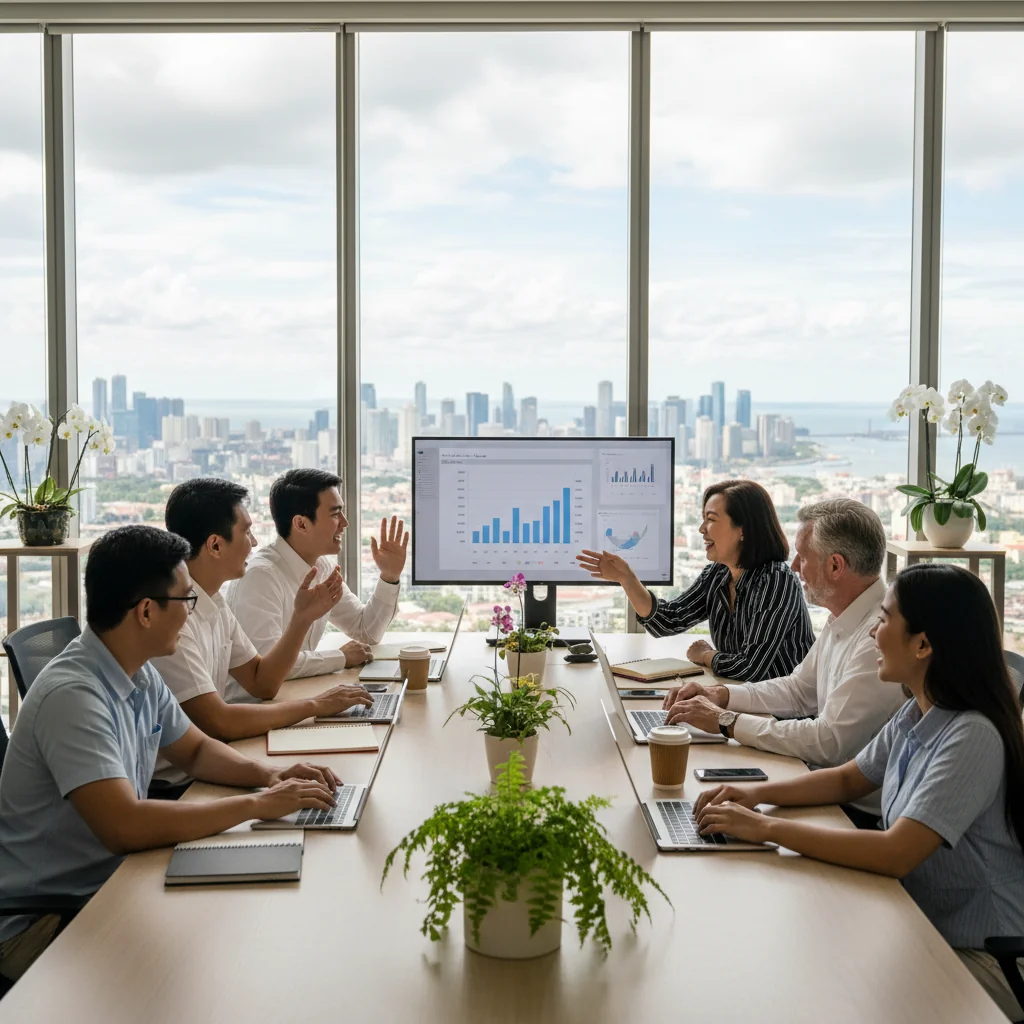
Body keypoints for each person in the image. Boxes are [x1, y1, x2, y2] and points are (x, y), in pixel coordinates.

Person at [0, 526, 341, 983]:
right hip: (44, 924)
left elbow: (196, 752)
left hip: (112, 885)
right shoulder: (74, 696)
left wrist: (270, 775)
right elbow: (125, 825)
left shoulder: (136, 671)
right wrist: (257, 806)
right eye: (186, 601)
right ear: (145, 611)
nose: (191, 613)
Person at [694, 564, 1024, 1021]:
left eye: (885, 619)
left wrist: (766, 828)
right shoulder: (918, 713)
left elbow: (895, 853)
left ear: (923, 644)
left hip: (983, 956)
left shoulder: (972, 736)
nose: (873, 632)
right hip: (921, 922)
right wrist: (756, 794)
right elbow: (850, 778)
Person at [661, 499, 905, 819]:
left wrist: (726, 721)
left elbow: (829, 743)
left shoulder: (878, 638)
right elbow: (798, 690)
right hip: (815, 784)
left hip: (851, 813)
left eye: (803, 558)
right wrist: (721, 695)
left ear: (835, 565)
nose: (793, 567)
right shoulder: (844, 618)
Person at [149, 479, 374, 794]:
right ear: (215, 545)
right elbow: (220, 722)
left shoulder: (213, 602)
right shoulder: (176, 621)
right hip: (176, 785)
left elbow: (263, 682)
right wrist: (315, 705)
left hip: (212, 762)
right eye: (246, 532)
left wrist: (301, 620)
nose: (254, 543)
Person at [577, 479, 813, 682]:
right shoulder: (717, 575)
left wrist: (706, 655)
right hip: (742, 701)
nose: (702, 529)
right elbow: (668, 621)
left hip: (783, 717)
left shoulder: (776, 581)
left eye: (711, 519)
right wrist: (626, 579)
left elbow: (751, 668)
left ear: (743, 529)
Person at [228, 469, 407, 678]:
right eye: (334, 514)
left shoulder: (321, 567)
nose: (345, 522)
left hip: (295, 695)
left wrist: (389, 576)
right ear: (301, 524)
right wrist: (341, 657)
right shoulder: (259, 577)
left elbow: (366, 631)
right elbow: (270, 666)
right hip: (257, 706)